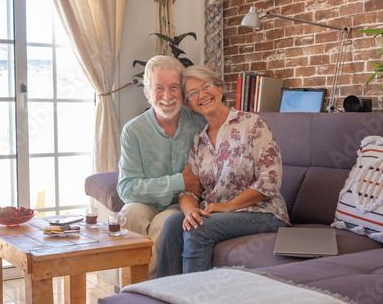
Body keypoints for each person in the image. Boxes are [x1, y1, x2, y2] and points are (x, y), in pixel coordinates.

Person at [156, 65, 290, 277]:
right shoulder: (199, 141)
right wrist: (190, 211)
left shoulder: (253, 124)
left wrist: (228, 206)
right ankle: (163, 296)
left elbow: (270, 180)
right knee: (173, 222)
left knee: (198, 228)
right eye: (193, 93)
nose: (201, 95)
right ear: (190, 105)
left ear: (220, 88)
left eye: (206, 86)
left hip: (264, 212)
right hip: (219, 213)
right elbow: (190, 191)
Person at [117, 55, 207, 279]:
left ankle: (145, 292)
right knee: (129, 213)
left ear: (182, 91)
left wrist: (186, 187)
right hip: (147, 203)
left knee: (164, 222)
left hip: (182, 203)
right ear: (148, 92)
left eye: (173, 87)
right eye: (159, 88)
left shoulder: (199, 123)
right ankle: (129, 287)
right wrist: (179, 181)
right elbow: (127, 188)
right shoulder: (133, 131)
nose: (167, 96)